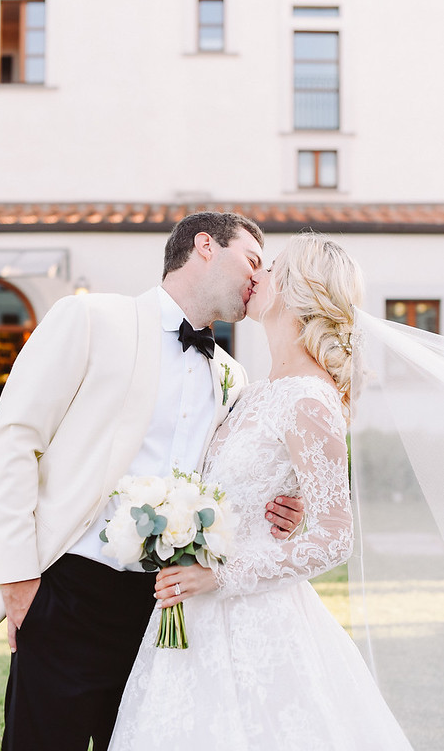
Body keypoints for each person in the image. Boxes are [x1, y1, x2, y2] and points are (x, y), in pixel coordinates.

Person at [0, 211, 305, 751]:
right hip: (68, 587)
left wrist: (283, 504)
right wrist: (16, 579)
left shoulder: (232, 377)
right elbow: (14, 439)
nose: (259, 279)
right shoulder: (90, 317)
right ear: (205, 247)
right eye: (253, 260)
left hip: (167, 607)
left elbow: (234, 477)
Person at [107, 232, 414, 750]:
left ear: (299, 291)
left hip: (255, 621)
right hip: (192, 615)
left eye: (268, 268)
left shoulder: (310, 400)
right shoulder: (249, 392)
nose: (256, 275)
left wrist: (221, 576)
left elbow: (336, 538)